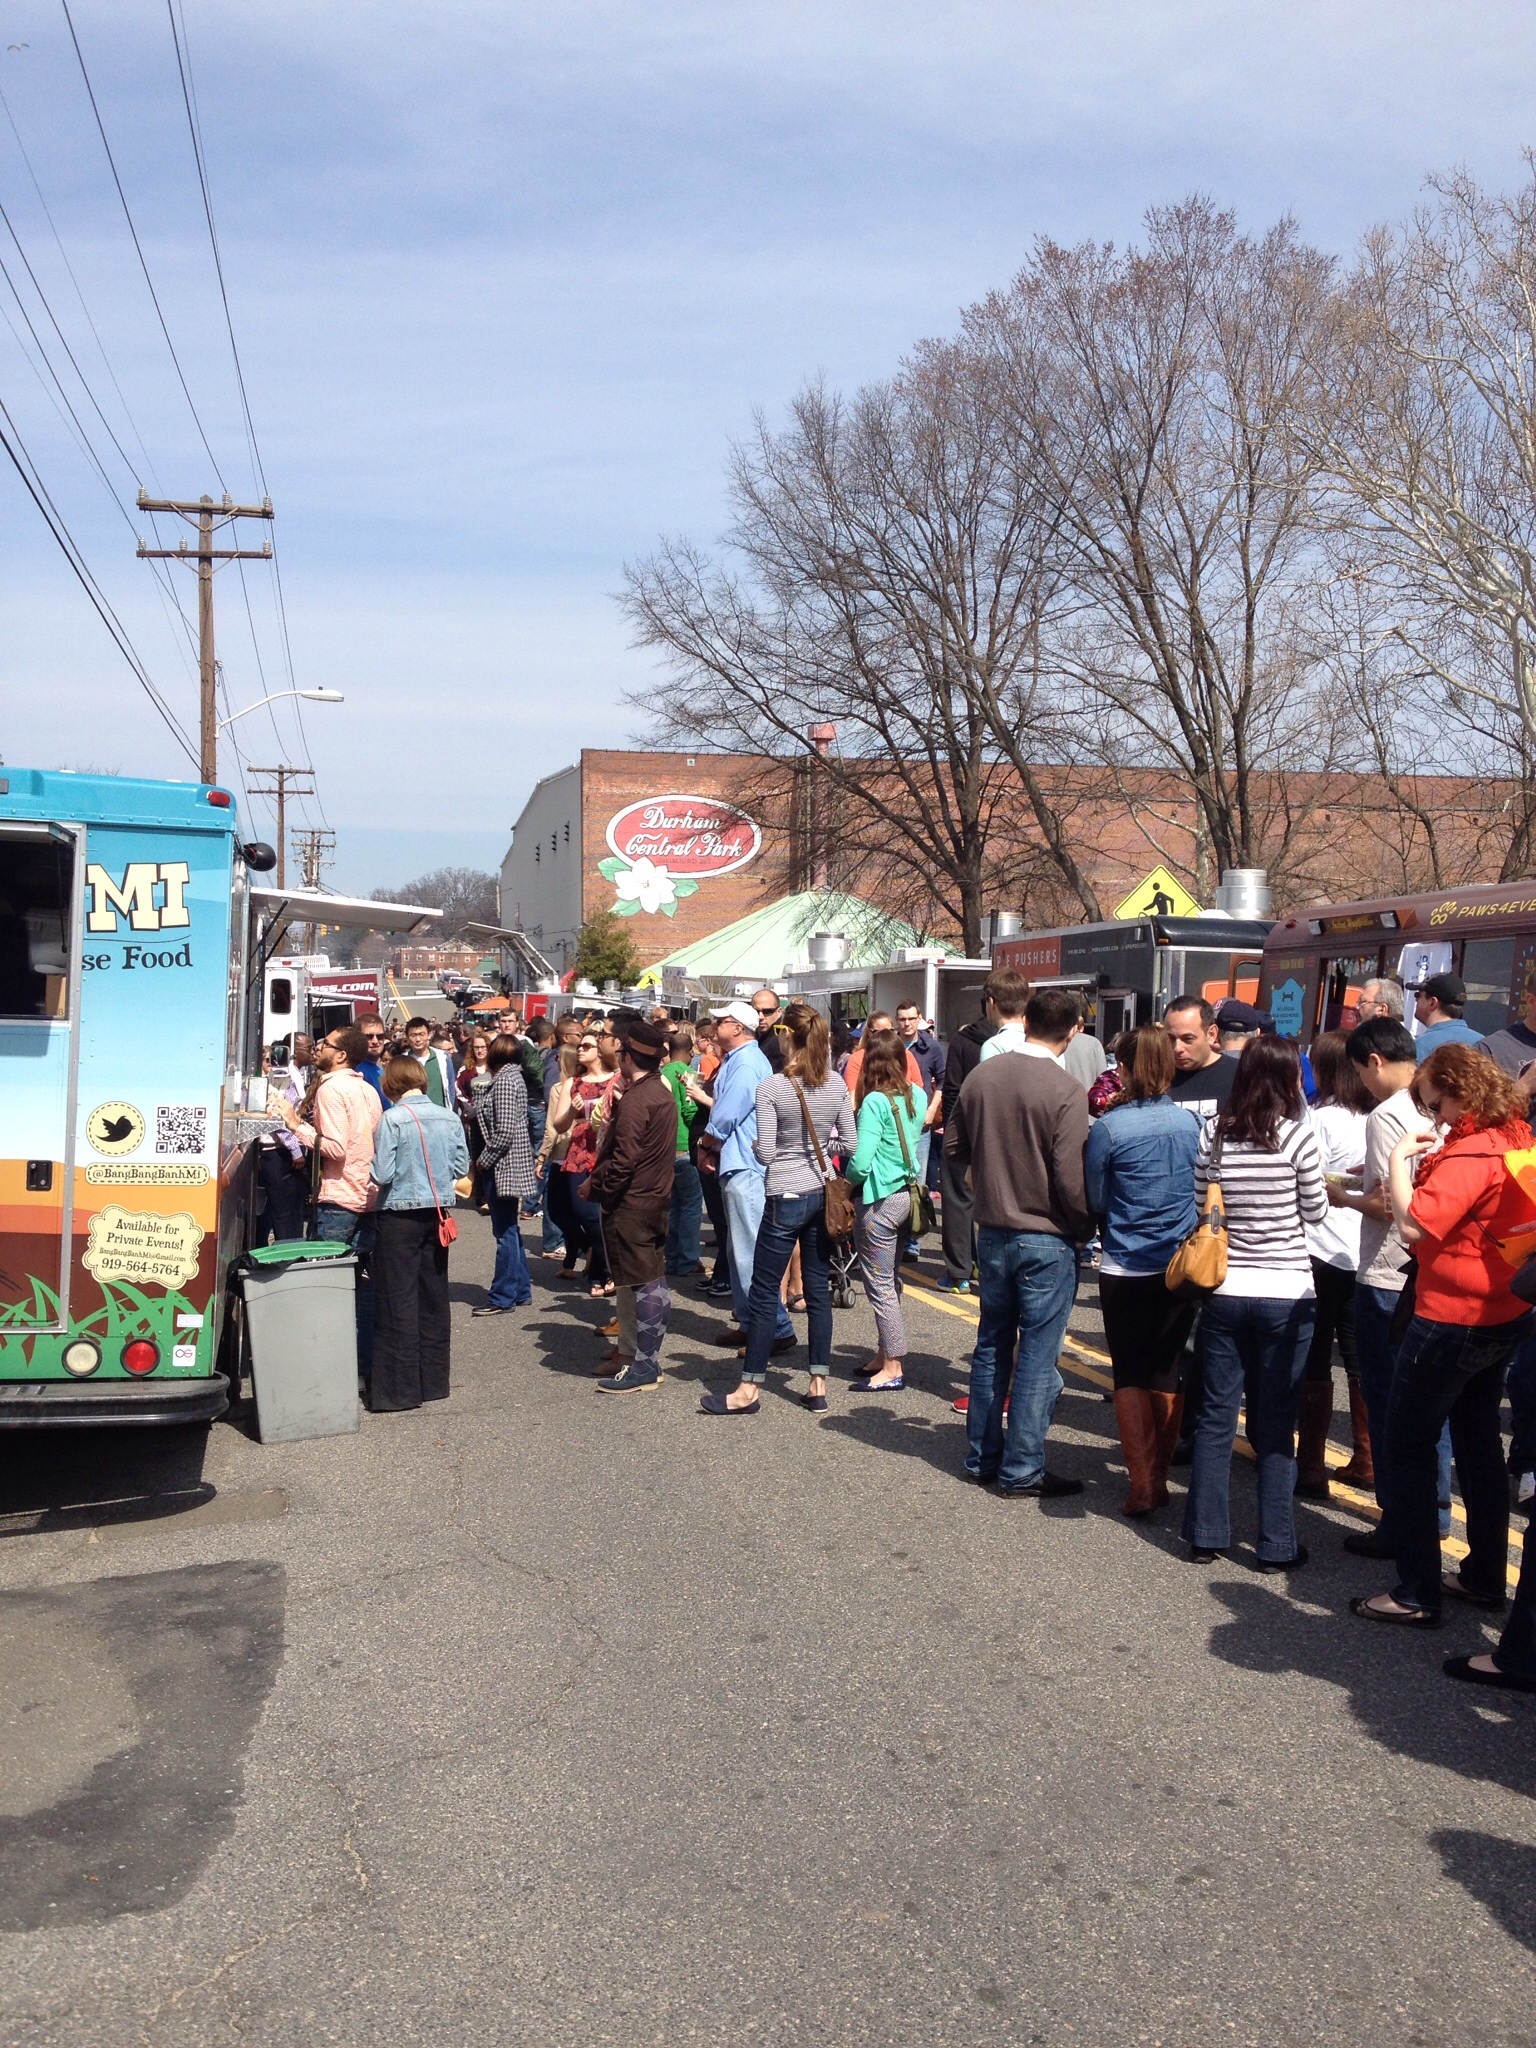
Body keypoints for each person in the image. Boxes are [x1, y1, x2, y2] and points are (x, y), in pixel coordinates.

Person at [1352, 1042, 1534, 1627]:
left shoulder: (1471, 1152)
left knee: (1407, 1445)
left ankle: (1415, 1591)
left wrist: (1399, 1157)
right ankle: (1483, 1576)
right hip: (1504, 1307)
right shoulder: (1516, 1135)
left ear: (1461, 1091)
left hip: (1452, 1314)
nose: (1437, 1119)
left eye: (1437, 1106)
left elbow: (1412, 1224)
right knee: (1478, 1442)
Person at [1183, 1037, 1328, 1570]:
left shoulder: (1214, 1134)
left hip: (1226, 1289)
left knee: (1216, 1415)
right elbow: (1315, 1211)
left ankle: (1206, 1534)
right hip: (1287, 1293)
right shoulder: (1298, 1137)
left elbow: (1202, 1204)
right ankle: (1276, 1544)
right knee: (1276, 1421)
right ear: (1291, 1080)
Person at [947, 988, 1094, 1494]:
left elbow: (954, 1147)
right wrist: (1084, 1227)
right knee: (1036, 1353)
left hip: (993, 1231)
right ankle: (1022, 1466)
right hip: (1047, 1235)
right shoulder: (1066, 1090)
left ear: (1025, 1020)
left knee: (992, 1344)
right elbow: (1070, 1179)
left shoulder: (982, 1076)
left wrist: (987, 1171)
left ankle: (982, 1457)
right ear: (1073, 1031)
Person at [702, 1004, 854, 1415]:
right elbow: (850, 1144)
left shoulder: (773, 1087)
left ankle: (749, 1388)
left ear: (788, 1036)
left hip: (785, 1191)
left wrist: (768, 1147)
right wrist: (818, 1149)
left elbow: (766, 1153)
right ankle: (818, 1384)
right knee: (817, 1290)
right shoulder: (835, 1084)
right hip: (821, 1191)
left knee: (765, 1288)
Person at [1083, 1023, 1200, 1516]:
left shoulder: (1109, 1128)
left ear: (1126, 1069)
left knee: (1128, 1369)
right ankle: (1160, 1476)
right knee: (1167, 1367)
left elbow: (1095, 1197)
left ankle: (1143, 1483)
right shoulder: (1191, 1124)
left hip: (1125, 1262)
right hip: (1179, 1264)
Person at [1333, 1018, 1439, 1557]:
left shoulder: (1386, 1115)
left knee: (1388, 1401)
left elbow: (1386, 1205)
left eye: (1359, 1071)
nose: (1362, 1082)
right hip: (1429, 1274)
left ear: (1374, 1061)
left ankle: (1398, 1522)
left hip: (1386, 1271)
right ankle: (1434, 1515)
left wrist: (1343, 1196)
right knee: (1431, 1404)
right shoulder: (1437, 1104)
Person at [367, 1055, 469, 1411]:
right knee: (433, 1297)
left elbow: (382, 1174)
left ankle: (399, 1391)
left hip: (399, 1215)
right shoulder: (449, 1117)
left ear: (391, 1083)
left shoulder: (392, 1119)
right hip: (437, 1213)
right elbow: (461, 1166)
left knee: (397, 1301)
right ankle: (433, 1382)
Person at [1296, 1032, 1371, 1499]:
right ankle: (1366, 1457)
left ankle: (1310, 1466)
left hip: (1321, 1247)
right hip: (1363, 1251)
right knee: (1361, 1358)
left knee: (1316, 1355)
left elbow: (1306, 1179)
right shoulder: (1379, 1118)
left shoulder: (1319, 1118)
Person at [699, 1000, 797, 1355]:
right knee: (738, 1248)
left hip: (746, 1165)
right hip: (740, 1161)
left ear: (738, 1027)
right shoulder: (740, 1059)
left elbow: (727, 1113)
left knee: (749, 1252)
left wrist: (706, 1143)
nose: (714, 1025)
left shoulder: (745, 1062)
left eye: (721, 1021)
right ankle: (751, 1321)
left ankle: (775, 1327)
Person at [586, 1020, 677, 1393]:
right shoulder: (658, 1092)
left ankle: (645, 1366)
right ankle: (645, 1362)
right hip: (653, 1200)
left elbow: (624, 1160)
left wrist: (603, 1190)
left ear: (627, 1057)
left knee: (644, 1285)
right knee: (651, 1281)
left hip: (634, 1203)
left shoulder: (638, 1099)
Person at [843, 1031, 927, 1392]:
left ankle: (893, 1365)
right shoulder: (918, 1095)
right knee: (890, 1279)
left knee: (879, 1285)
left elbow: (861, 1161)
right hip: (908, 1196)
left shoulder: (875, 1101)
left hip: (879, 1200)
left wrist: (845, 1184)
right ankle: (883, 1353)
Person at [273, 1024, 382, 1249]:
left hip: (340, 1200)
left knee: (329, 1267)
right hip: (367, 1197)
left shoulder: (331, 1089)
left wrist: (295, 1125)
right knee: (362, 1267)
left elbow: (336, 1148)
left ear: (341, 1055)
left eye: (326, 1044)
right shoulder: (368, 1089)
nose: (318, 1047)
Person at [472, 1034, 538, 1316]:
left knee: (505, 1232)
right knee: (509, 1228)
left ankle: (503, 1296)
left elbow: (504, 1131)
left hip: (503, 1165)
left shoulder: (505, 1081)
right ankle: (520, 1290)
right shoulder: (512, 1078)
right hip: (510, 1163)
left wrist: (483, 1161)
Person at [939, 990, 1000, 1293]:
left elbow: (952, 1089)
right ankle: (989, 1267)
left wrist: (953, 1133)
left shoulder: (962, 1042)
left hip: (965, 1129)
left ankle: (959, 1273)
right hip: (1002, 1135)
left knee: (957, 1199)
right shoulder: (1023, 1041)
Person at [557, 1027, 622, 1295]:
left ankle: (600, 1274)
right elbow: (559, 1124)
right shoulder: (572, 1083)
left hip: (607, 1148)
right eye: (580, 1046)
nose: (580, 1050)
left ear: (600, 1051)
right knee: (582, 1211)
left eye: (586, 1046)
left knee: (604, 1212)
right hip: (579, 1149)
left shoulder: (616, 1079)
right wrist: (571, 1112)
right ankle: (607, 1265)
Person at [661, 1025, 704, 1276]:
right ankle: (688, 1259)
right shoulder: (688, 1074)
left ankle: (672, 1256)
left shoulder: (661, 1073)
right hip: (684, 1145)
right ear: (689, 1052)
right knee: (691, 1204)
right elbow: (690, 1110)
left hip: (665, 1148)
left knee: (675, 1204)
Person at [539, 1044, 584, 1276]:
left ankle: (588, 1247)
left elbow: (552, 1128)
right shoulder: (583, 1086)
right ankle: (570, 1261)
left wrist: (542, 1155)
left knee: (557, 1210)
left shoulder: (560, 1088)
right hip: (580, 1153)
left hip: (562, 1155)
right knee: (574, 1211)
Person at [1162, 997, 1239, 1121]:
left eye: (1188, 1039)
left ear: (1211, 1034)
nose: (1177, 1048)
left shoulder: (1240, 1075)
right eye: (1170, 1038)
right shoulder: (1156, 1078)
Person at [842, 1013, 923, 1097]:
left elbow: (919, 1092)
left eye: (889, 1031)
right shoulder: (857, 1059)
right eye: (879, 1032)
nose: (885, 1037)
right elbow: (853, 1096)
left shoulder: (906, 1055)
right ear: (869, 1032)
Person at [1411, 972, 1483, 1060]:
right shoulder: (1483, 1043)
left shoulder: (1420, 1047)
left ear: (1433, 1002)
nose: (1416, 1000)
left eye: (1418, 995)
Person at [404, 1016, 455, 1105]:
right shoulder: (403, 1061)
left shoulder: (443, 1057)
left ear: (429, 1035)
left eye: (421, 1034)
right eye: (413, 1035)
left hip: (439, 1111)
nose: (418, 1039)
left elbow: (451, 1087)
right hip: (412, 1112)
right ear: (407, 1037)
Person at [1061, 1001, 1109, 1091]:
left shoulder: (1057, 1043)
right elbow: (1102, 1077)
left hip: (1063, 1096)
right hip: (1089, 1096)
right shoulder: (1094, 1043)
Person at [751, 988, 788, 1073]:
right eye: (755, 1011)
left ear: (779, 1012)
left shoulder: (781, 1041)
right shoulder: (753, 1036)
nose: (760, 1017)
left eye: (767, 1011)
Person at [354, 1017, 389, 1105]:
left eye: (380, 1036)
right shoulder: (357, 1071)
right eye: (369, 1037)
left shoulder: (380, 1068)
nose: (375, 1041)